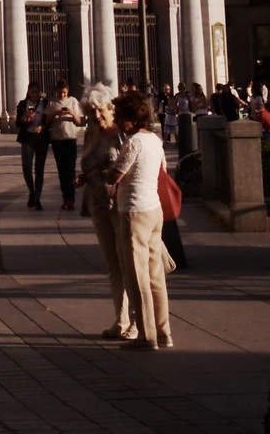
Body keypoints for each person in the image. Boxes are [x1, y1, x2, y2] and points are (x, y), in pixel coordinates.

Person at [104, 91, 171, 349]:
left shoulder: (133, 143)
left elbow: (114, 176)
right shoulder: (155, 140)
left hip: (133, 212)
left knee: (137, 276)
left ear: (133, 118)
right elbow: (162, 169)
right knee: (156, 277)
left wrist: (107, 172)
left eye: (121, 117)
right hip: (154, 210)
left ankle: (146, 336)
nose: (118, 122)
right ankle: (164, 333)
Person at [78, 83, 134, 340]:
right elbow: (90, 163)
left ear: (110, 108)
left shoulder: (121, 134)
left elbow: (134, 164)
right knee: (113, 266)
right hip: (98, 203)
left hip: (121, 205)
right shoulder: (91, 132)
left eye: (99, 111)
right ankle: (120, 320)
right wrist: (83, 177)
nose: (96, 116)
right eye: (91, 112)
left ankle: (137, 322)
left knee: (128, 264)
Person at [43, 80, 83, 211]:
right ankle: (65, 197)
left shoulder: (73, 101)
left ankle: (70, 198)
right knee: (61, 170)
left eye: (64, 92)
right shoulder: (51, 102)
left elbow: (79, 122)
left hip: (70, 138)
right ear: (56, 91)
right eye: (60, 92)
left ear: (68, 91)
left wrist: (71, 113)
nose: (62, 95)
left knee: (70, 169)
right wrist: (55, 113)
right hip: (56, 139)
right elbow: (47, 122)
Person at [14, 81, 49, 209]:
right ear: (28, 92)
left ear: (40, 92)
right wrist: (24, 117)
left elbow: (49, 120)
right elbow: (17, 123)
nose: (34, 94)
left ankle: (37, 198)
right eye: (32, 92)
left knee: (39, 168)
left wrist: (43, 127)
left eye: (36, 92)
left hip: (41, 138)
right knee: (26, 167)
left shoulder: (45, 104)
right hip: (27, 137)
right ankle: (31, 191)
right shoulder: (23, 104)